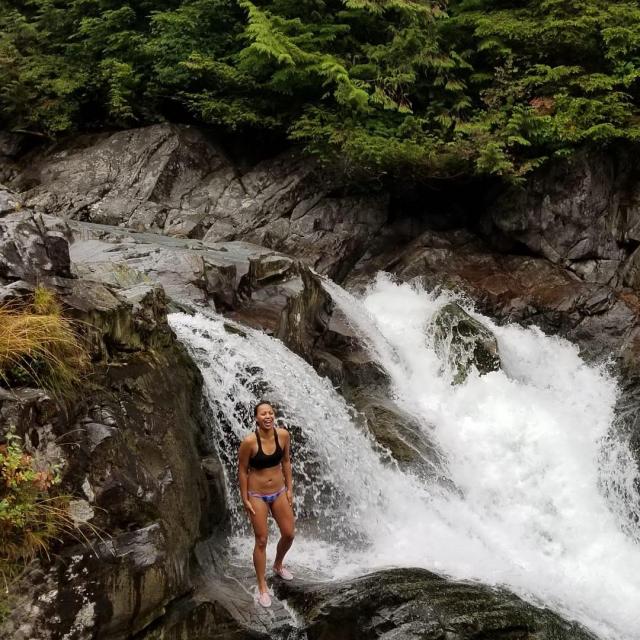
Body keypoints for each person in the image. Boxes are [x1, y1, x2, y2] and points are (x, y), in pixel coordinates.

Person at [238, 401, 295, 607]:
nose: (268, 416)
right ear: (256, 418)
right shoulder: (249, 442)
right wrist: (245, 498)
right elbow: (243, 470)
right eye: (263, 414)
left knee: (289, 533)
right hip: (257, 495)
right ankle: (262, 586)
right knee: (261, 540)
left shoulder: (283, 435)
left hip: (279, 492)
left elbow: (286, 462)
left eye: (270, 413)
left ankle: (278, 565)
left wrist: (290, 489)